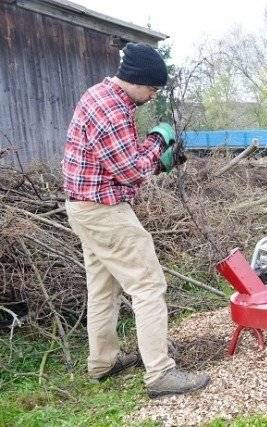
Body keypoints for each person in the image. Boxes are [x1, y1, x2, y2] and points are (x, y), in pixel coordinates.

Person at [62, 42, 209, 398]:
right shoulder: (111, 110)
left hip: (85, 208)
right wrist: (158, 141)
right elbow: (130, 171)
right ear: (139, 80)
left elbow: (123, 161)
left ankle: (103, 362)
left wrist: (158, 160)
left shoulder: (103, 96)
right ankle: (160, 374)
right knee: (148, 285)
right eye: (153, 88)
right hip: (104, 212)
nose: (153, 94)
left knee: (103, 288)